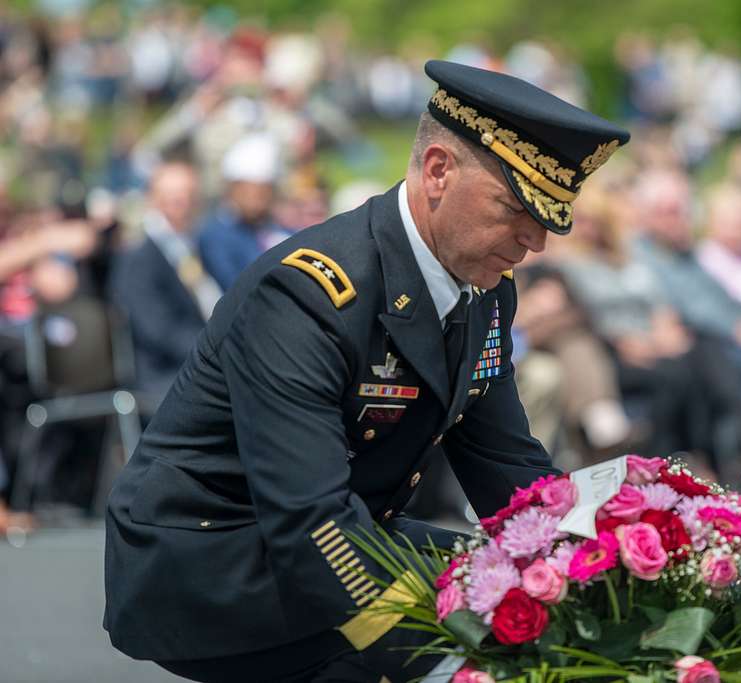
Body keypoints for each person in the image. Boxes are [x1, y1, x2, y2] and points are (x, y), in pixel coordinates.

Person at [103, 59, 629, 682]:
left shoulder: (482, 288)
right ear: (438, 171)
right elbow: (308, 521)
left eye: (546, 219)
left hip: (338, 533)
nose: (534, 241)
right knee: (457, 650)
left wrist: (601, 563)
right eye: (516, 207)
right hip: (210, 558)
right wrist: (437, 657)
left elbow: (506, 464)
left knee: (530, 604)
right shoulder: (308, 296)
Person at [111, 161, 221, 399]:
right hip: (165, 376)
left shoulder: (194, 247)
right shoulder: (139, 256)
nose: (182, 204)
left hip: (200, 362)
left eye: (188, 195)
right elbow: (158, 332)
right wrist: (217, 351)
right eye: (171, 197)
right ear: (153, 199)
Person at [197, 132, 292, 291]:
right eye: (249, 190)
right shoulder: (215, 236)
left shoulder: (282, 232)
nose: (258, 199)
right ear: (233, 189)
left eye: (264, 191)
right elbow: (235, 285)